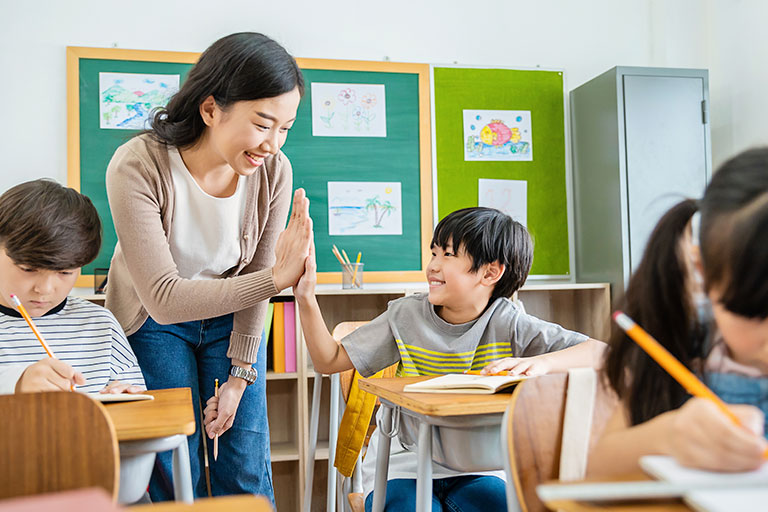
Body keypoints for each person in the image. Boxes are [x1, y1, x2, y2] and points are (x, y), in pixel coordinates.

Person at [253, 206, 606, 511]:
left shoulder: (508, 321)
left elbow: (601, 352)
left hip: (478, 466)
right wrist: (306, 298)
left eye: (448, 255)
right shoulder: (407, 314)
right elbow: (329, 360)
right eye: (433, 252)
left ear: (490, 273)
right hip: (402, 463)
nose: (432, 266)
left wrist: (540, 364)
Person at [104, 32, 312, 501]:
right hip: (154, 320)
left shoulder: (275, 172)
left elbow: (257, 274)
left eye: (286, 127)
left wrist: (240, 375)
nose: (273, 144)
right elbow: (163, 297)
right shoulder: (136, 166)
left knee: (243, 464)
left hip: (231, 317)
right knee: (175, 460)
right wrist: (276, 279)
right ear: (211, 108)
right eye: (263, 124)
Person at [588, 148, 768, 477]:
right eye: (754, 312)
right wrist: (669, 435)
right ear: (705, 274)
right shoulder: (688, 344)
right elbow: (598, 474)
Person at [0, 179, 144, 395]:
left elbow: (140, 404)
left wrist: (124, 400)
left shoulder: (100, 325)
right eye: (28, 269)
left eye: (65, 272)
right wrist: (15, 384)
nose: (45, 289)